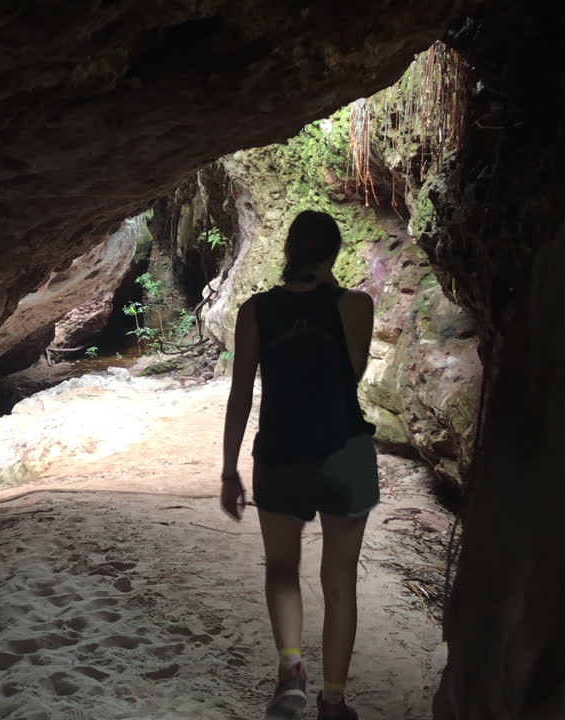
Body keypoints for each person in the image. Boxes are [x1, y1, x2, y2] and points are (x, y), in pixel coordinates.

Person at [220, 210, 378, 720]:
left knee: (283, 569)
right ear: (332, 254)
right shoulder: (355, 305)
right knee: (340, 582)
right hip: (344, 451)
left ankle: (291, 669)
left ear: (288, 251)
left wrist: (229, 470)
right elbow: (353, 372)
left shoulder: (255, 311)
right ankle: (333, 701)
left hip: (280, 453)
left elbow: (241, 394)